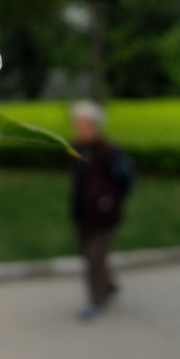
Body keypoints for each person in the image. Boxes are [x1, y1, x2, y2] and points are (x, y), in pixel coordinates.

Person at [69, 100, 133, 320]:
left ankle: (95, 301)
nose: (78, 128)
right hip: (84, 214)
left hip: (105, 216)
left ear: (96, 126)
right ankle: (110, 285)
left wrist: (110, 201)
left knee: (94, 258)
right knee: (88, 255)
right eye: (76, 124)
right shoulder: (77, 149)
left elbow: (126, 179)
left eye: (83, 124)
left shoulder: (110, 152)